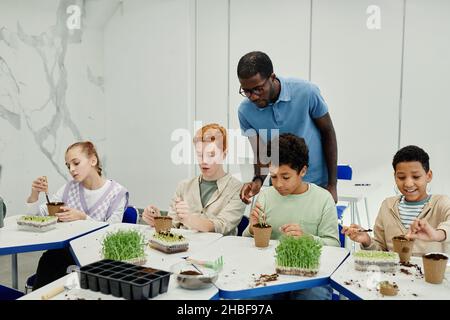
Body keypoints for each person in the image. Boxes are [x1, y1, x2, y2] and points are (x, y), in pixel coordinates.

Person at [243, 133, 340, 300]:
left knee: (313, 296)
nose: (279, 184)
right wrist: (253, 228)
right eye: (273, 177)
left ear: (303, 170)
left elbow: (334, 245)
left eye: (286, 177)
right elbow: (246, 241)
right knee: (251, 298)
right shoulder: (266, 196)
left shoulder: (323, 199)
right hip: (270, 272)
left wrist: (307, 238)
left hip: (309, 276)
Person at [237, 51, 338, 204]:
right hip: (279, 187)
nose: (253, 96)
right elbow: (261, 153)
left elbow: (328, 133)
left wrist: (332, 185)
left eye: (258, 89)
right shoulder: (245, 111)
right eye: (246, 91)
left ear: (272, 77)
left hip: (316, 185)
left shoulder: (307, 92)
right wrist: (257, 180)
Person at [26, 141, 129, 289]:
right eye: (68, 166)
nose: (71, 169)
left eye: (76, 163)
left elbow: (113, 234)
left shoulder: (117, 193)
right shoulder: (69, 188)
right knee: (48, 258)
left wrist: (83, 218)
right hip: (67, 254)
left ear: (93, 160)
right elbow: (37, 216)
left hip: (98, 257)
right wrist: (35, 194)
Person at [342, 145, 450, 255]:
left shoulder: (441, 203)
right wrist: (367, 241)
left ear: (428, 175)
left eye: (416, 177)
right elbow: (381, 252)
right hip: (393, 272)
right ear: (395, 177)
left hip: (430, 272)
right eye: (401, 177)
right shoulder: (387, 205)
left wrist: (436, 234)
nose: (408, 184)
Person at [142, 123, 246, 236]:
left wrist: (190, 220)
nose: (204, 161)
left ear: (224, 154)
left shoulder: (238, 190)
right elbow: (172, 227)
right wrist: (157, 220)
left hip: (218, 251)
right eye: (200, 154)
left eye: (211, 155)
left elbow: (221, 226)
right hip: (183, 249)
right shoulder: (184, 186)